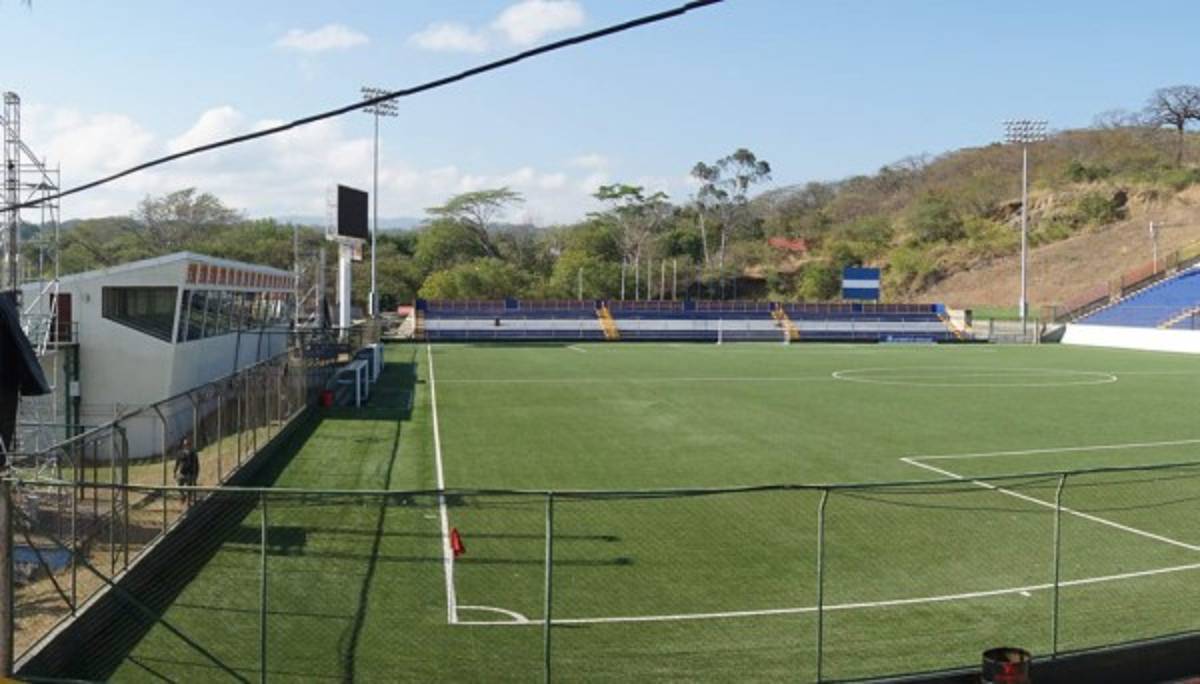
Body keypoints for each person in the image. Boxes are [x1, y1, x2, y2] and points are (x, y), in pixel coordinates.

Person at [175, 437, 200, 506]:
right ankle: (183, 495)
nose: (187, 445)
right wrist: (175, 472)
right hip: (182, 473)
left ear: (190, 445)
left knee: (189, 488)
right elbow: (177, 463)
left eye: (188, 444)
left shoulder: (193, 453)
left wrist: (196, 474)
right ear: (183, 445)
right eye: (185, 444)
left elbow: (197, 464)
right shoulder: (180, 453)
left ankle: (188, 502)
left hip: (190, 473)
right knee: (178, 486)